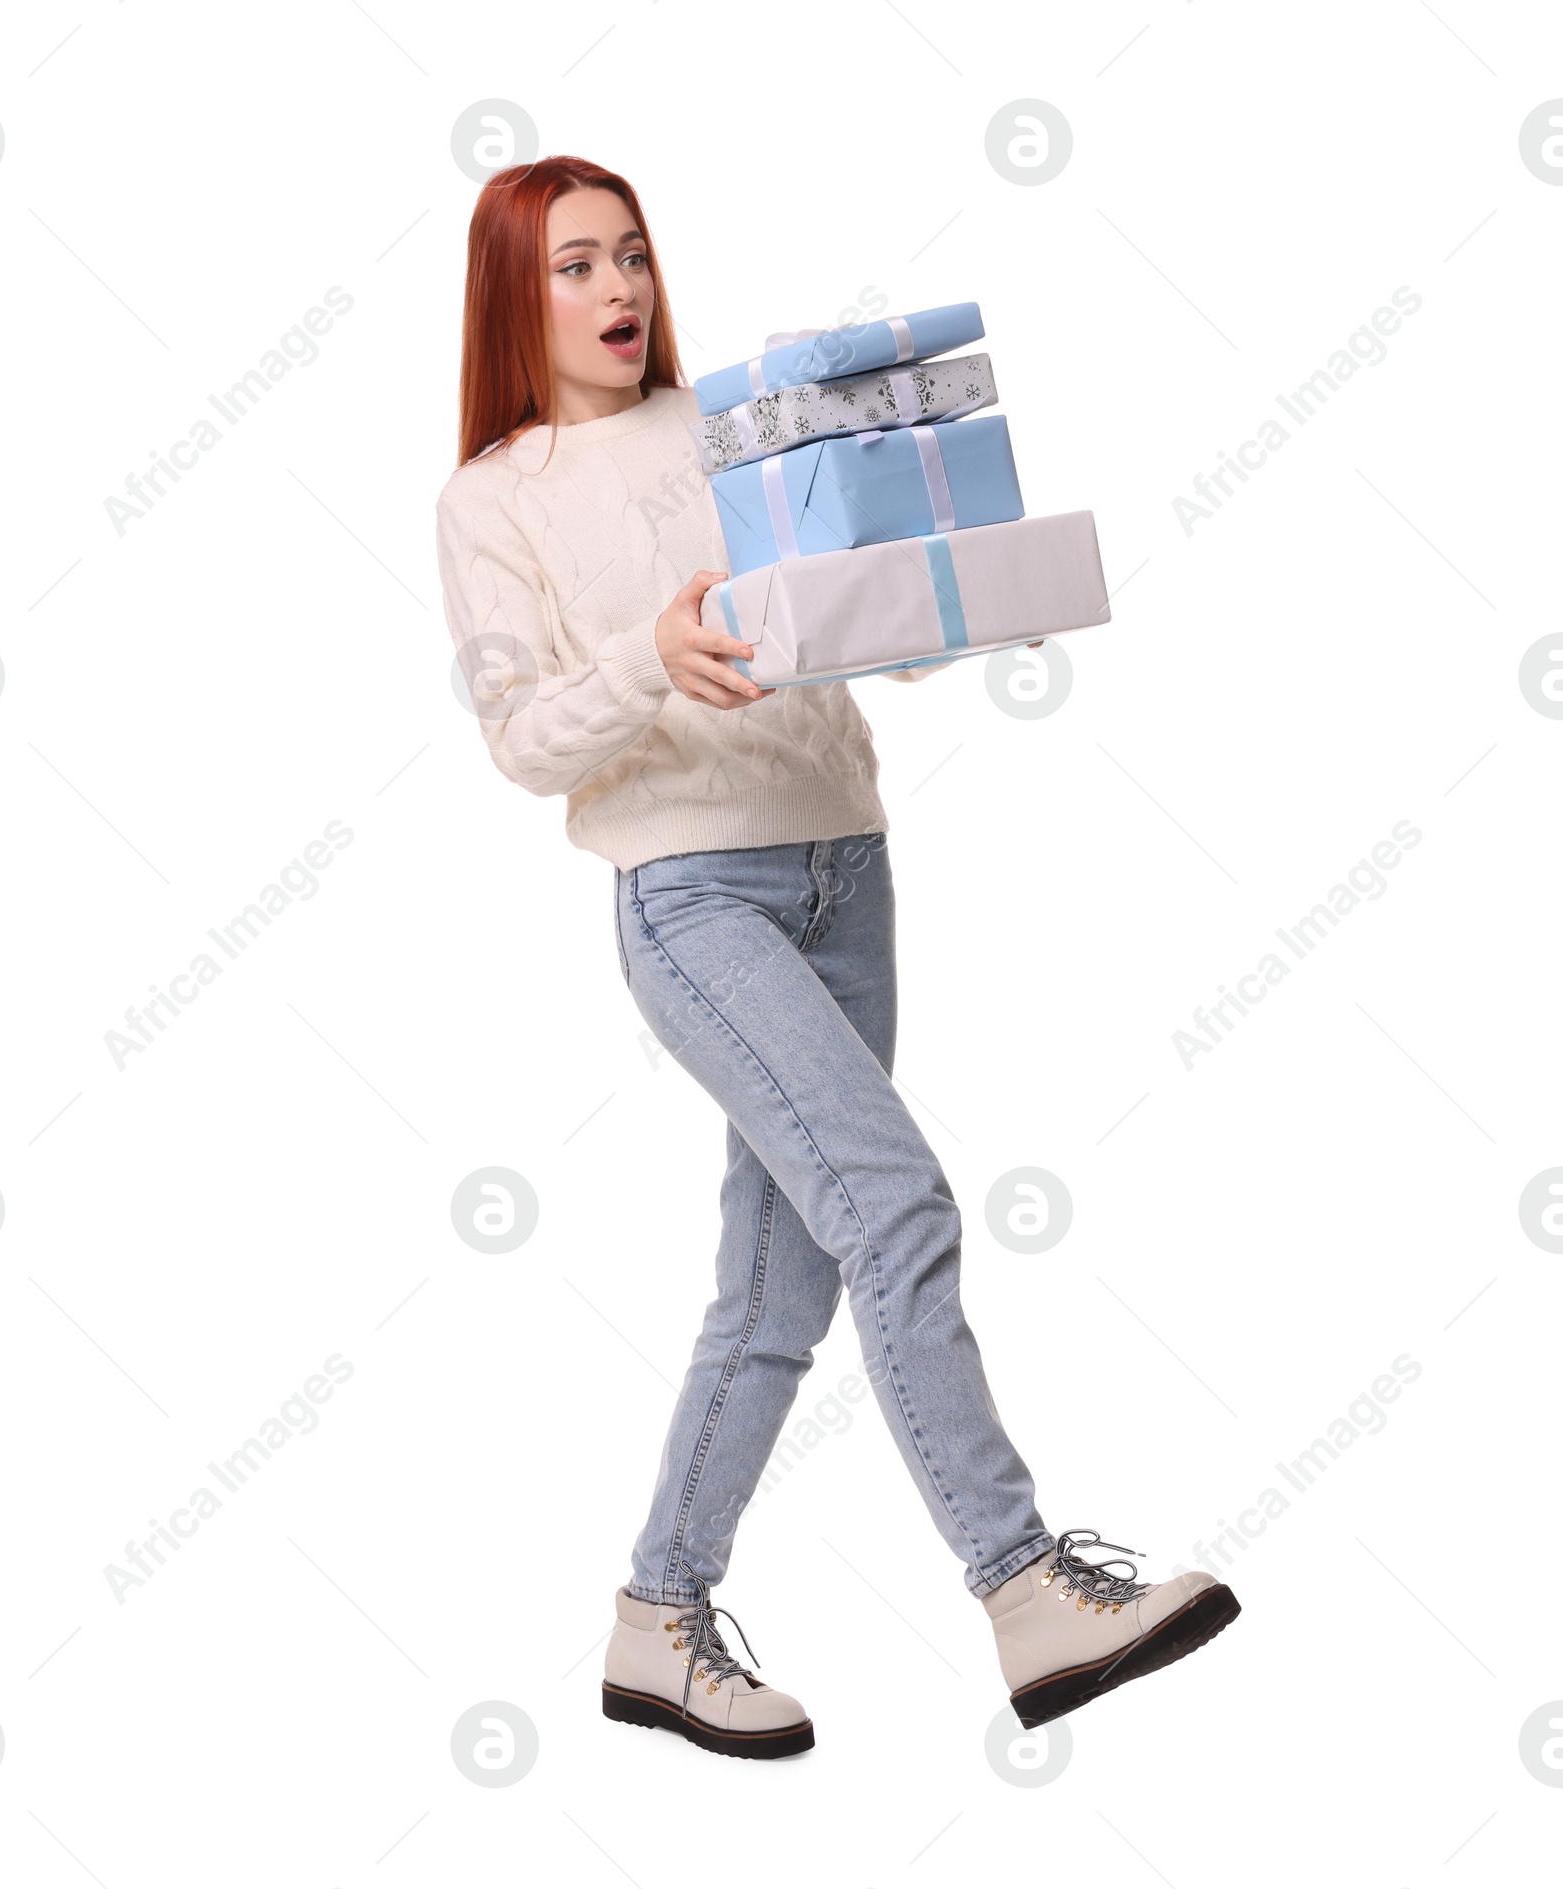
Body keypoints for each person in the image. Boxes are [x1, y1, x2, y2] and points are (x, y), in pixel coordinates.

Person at [435, 154, 1240, 1761]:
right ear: (515, 299)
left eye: (634, 258)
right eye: (577, 266)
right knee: (895, 1201)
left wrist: (956, 593)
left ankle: (658, 1619)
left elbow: (833, 611)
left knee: (779, 1279)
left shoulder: (728, 421)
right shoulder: (492, 498)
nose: (617, 292)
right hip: (691, 893)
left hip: (845, 866)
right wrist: (648, 658)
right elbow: (524, 739)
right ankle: (1021, 1586)